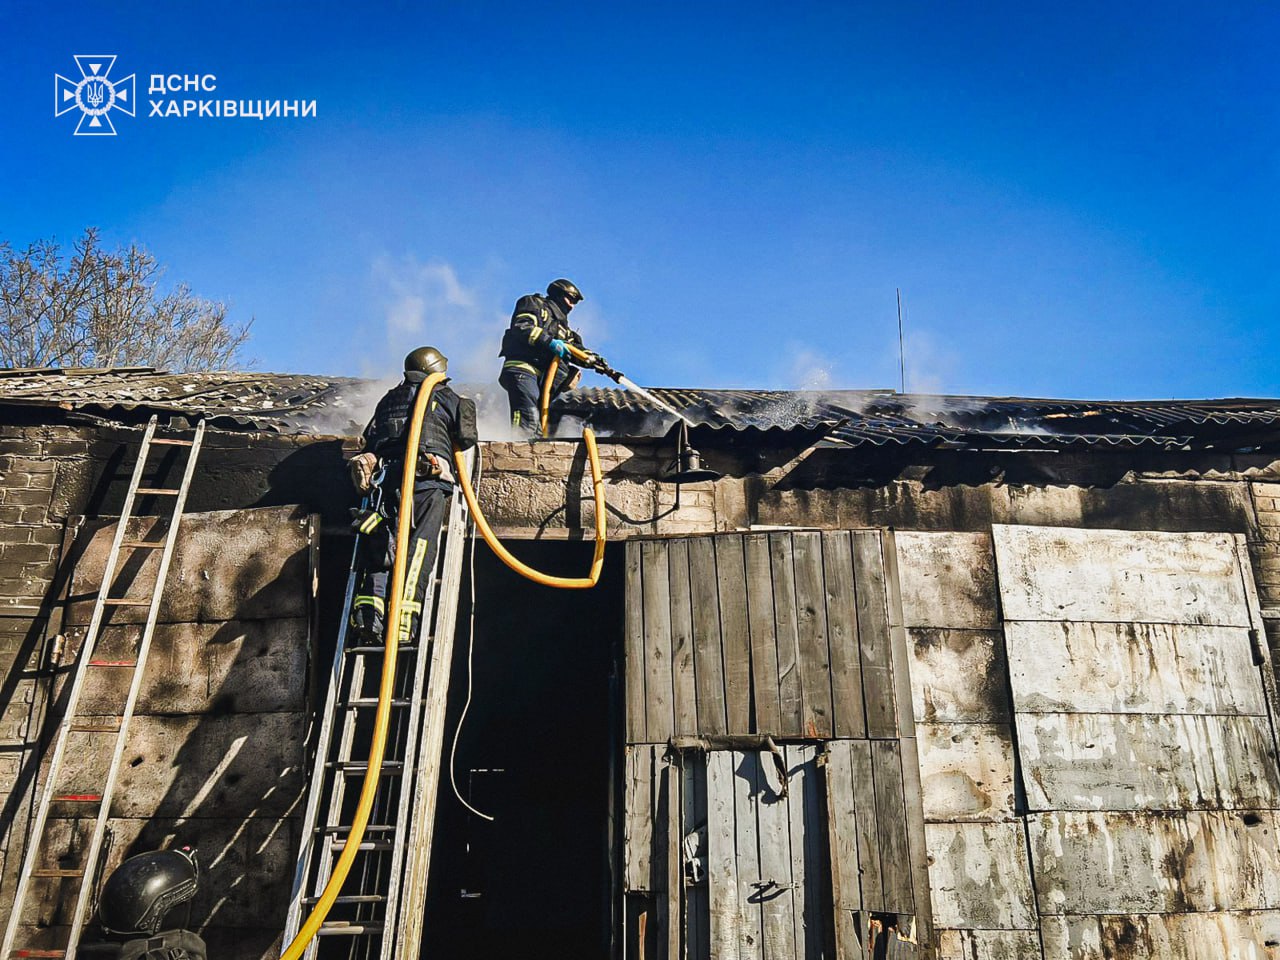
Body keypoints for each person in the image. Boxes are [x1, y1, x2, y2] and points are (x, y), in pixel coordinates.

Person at [348, 346, 477, 643]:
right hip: (425, 483)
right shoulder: (445, 396)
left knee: (381, 546)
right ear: (436, 371)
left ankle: (370, 618)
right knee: (418, 549)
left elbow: (370, 439)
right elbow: (467, 438)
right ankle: (404, 623)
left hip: (386, 482)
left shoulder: (387, 400)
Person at [498, 278, 585, 434]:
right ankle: (519, 447)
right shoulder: (534, 304)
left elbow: (577, 350)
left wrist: (596, 361)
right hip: (523, 368)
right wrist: (550, 342)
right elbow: (522, 326)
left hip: (543, 378)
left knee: (539, 423)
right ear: (558, 294)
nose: (572, 305)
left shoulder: (564, 329)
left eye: (575, 302)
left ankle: (533, 449)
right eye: (570, 299)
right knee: (528, 416)